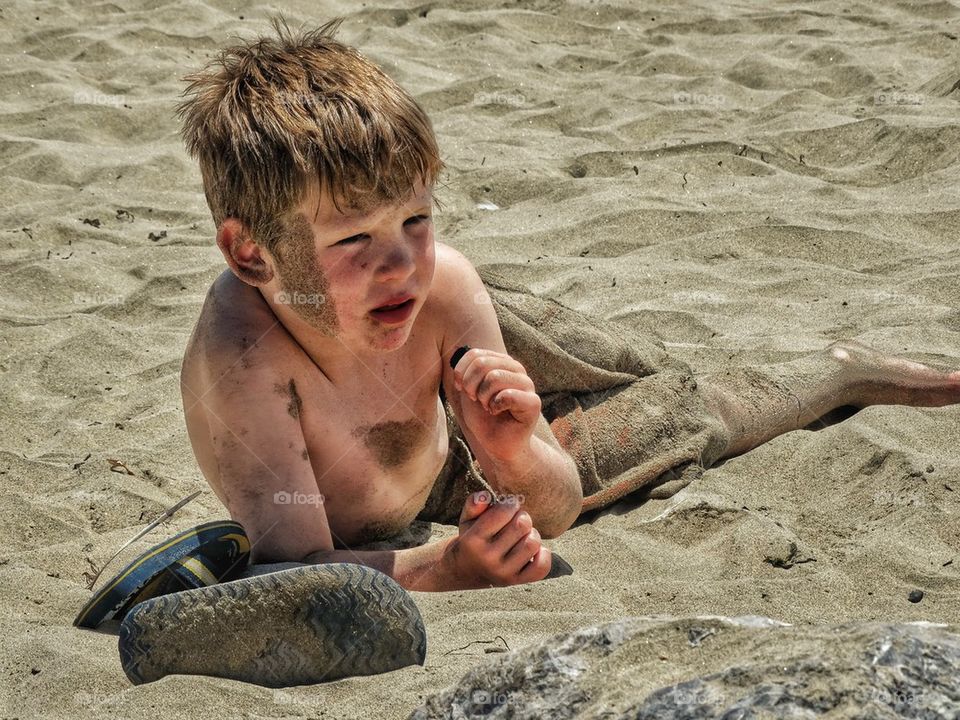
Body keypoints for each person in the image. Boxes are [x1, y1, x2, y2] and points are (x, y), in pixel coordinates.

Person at [177, 19, 960, 592]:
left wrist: (515, 449)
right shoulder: (244, 364)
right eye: (354, 240)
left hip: (449, 379)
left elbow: (546, 496)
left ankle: (841, 372)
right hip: (439, 488)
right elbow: (293, 570)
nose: (401, 264)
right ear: (252, 254)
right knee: (683, 414)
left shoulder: (438, 282)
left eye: (415, 220)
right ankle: (840, 372)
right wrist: (449, 564)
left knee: (636, 371)